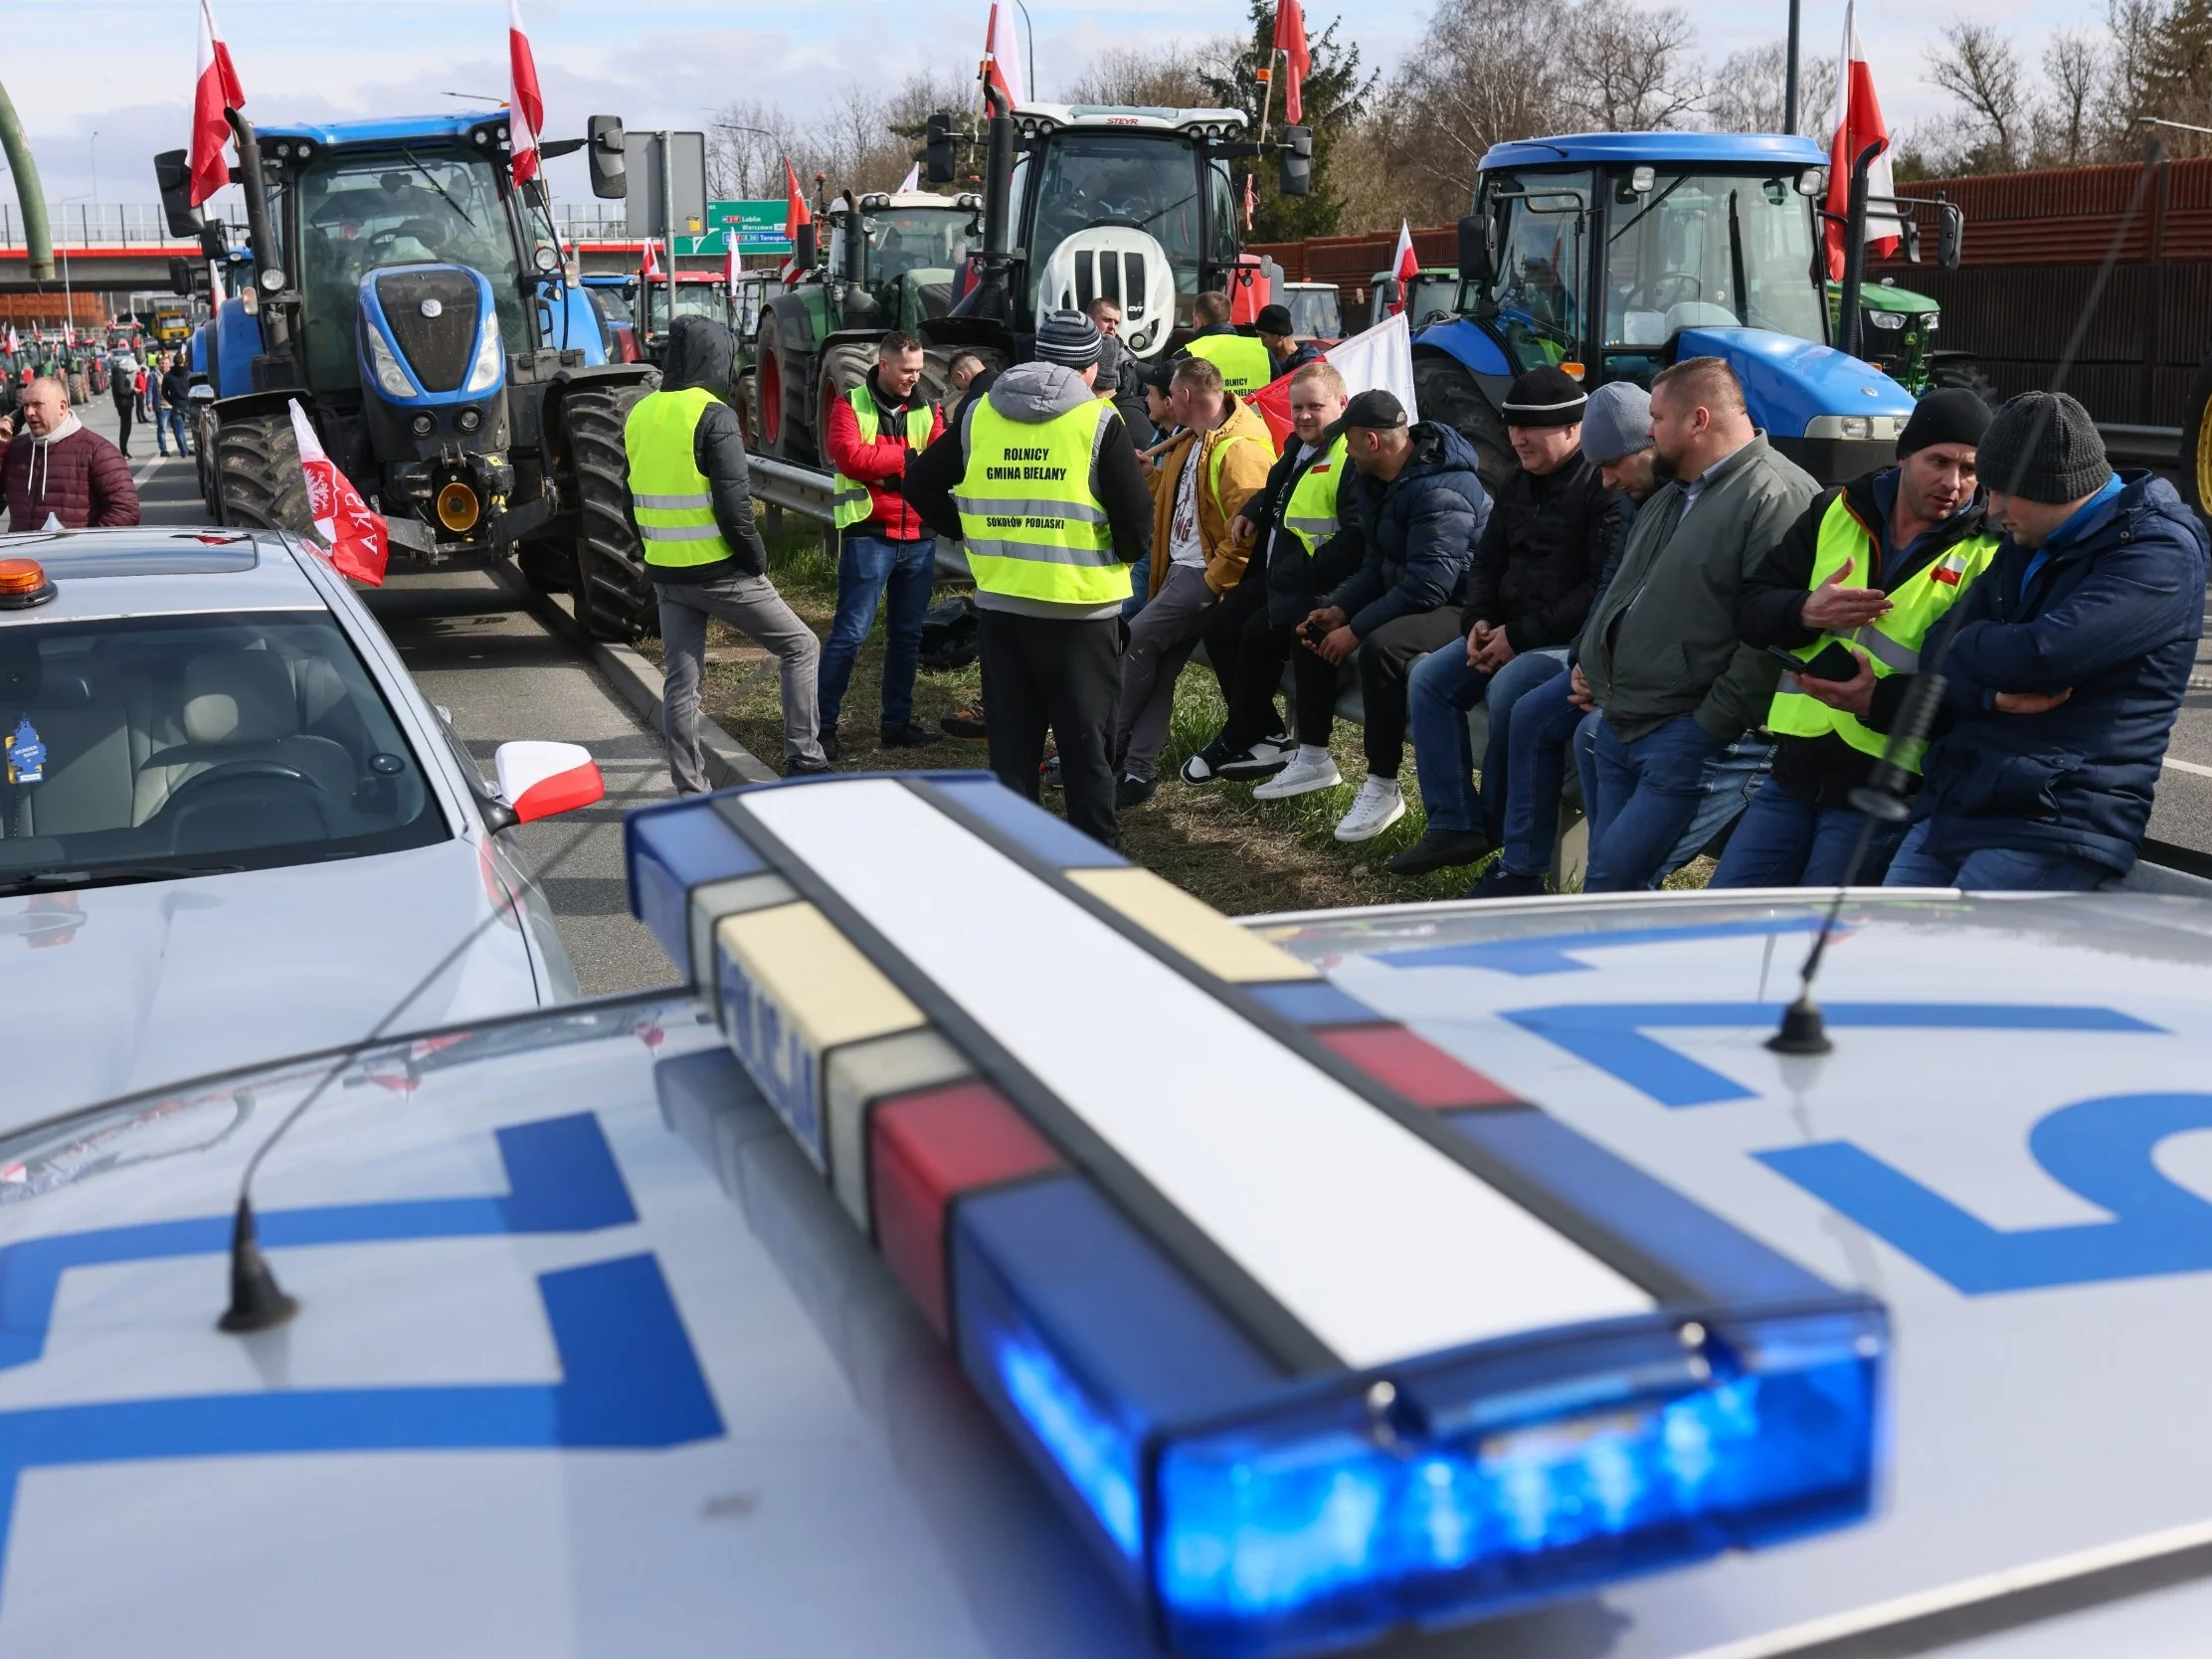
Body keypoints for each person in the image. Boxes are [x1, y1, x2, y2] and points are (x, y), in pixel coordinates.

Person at [1874, 394, 2208, 890]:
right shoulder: (2027, 537)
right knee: (1891, 955)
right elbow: (1936, 644)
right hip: (1960, 799)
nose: (1993, 509)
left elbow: (2041, 656)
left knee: (1966, 966)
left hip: (2053, 820)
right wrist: (1989, 693)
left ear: (2056, 486)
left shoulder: (2156, 551)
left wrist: (1973, 644)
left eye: (2006, 491)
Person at [1714, 390, 1997, 887]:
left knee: (1818, 944)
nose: (1954, 483)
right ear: (1904, 454)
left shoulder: (1989, 553)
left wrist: (1875, 700)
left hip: (1886, 790)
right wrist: (1804, 610)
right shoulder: (1834, 510)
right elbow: (1748, 611)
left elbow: (1976, 692)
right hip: (1793, 774)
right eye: (1939, 461)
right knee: (1726, 920)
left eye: (1971, 469)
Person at [904, 308, 1153, 846]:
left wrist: (969, 532)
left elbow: (920, 484)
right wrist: (1118, 556)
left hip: (1002, 611)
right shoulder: (1099, 421)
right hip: (1082, 618)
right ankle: (1094, 884)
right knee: (1087, 758)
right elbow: (1137, 528)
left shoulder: (980, 414)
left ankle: (1019, 876)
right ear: (1089, 369)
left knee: (1013, 758)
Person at [1573, 357, 1818, 891]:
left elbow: (1770, 633)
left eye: (1656, 418)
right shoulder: (1678, 490)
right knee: (1612, 883)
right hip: (1628, 719)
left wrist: (1710, 726)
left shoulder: (1775, 495)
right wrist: (1592, 660)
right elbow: (1628, 589)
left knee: (1611, 883)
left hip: (1692, 735)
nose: (1648, 431)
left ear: (1698, 420)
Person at [1388, 366, 1617, 875]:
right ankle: (1454, 824)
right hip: (1505, 631)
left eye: (1529, 428)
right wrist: (1480, 619)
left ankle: (1498, 824)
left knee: (1511, 685)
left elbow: (1599, 590)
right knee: (1429, 679)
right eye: (1512, 427)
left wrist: (1520, 636)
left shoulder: (1602, 485)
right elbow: (1488, 560)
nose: (1516, 439)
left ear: (1571, 429)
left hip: (1561, 641)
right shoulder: (1519, 480)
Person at [1258, 388, 1490, 843]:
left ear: (1372, 442)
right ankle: (1312, 756)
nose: (1343, 449)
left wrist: (1357, 629)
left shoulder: (1441, 488)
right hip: (1417, 589)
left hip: (1462, 602)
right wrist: (1340, 609)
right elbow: (1376, 565)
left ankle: (1383, 784)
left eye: (1348, 440)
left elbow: (1431, 586)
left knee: (1381, 648)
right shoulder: (1377, 479)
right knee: (1312, 622)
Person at [1466, 382, 1660, 897]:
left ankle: (1613, 892)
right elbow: (1615, 583)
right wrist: (1586, 657)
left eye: (1613, 466)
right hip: (1591, 656)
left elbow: (1672, 607)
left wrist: (1599, 666)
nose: (1607, 481)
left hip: (1649, 679)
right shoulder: (1633, 490)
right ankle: (1516, 864)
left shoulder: (1668, 496)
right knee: (1494, 698)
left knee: (1580, 729)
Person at [626, 314, 829, 789]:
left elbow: (627, 496)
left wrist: (653, 551)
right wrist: (756, 560)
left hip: (667, 576)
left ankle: (689, 790)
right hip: (720, 571)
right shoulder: (714, 415)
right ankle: (805, 758)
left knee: (681, 684)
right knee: (801, 645)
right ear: (719, 357)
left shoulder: (639, 413)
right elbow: (736, 506)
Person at [1182, 359, 1357, 784]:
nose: (1304, 416)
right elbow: (1277, 484)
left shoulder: (1349, 456)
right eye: (1298, 408)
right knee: (1220, 624)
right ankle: (1266, 733)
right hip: (1284, 575)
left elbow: (1356, 538)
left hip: (1322, 587)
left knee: (1258, 630)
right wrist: (1254, 509)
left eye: (1315, 407)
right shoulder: (1299, 445)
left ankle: (1242, 733)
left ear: (1342, 404)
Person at [1111, 355, 1273, 808]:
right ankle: (1137, 773)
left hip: (1200, 578)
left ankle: (1105, 752)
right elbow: (1170, 505)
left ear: (1182, 397)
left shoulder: (1241, 449)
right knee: (1159, 669)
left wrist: (1212, 582)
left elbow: (1248, 535)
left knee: (1135, 640)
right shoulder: (1190, 441)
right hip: (1181, 573)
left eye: (1164, 394)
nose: (1152, 401)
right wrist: (1147, 478)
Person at [819, 332, 946, 758]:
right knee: (850, 635)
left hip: (919, 539)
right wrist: (908, 461)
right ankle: (822, 728)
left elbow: (940, 463)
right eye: (908, 370)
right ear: (884, 365)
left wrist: (890, 467)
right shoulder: (849, 404)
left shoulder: (930, 406)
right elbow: (850, 458)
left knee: (907, 637)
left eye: (919, 369)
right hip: (870, 536)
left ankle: (896, 724)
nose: (916, 377)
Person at [0, 375, 139, 530]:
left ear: (62, 407)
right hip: (23, 554)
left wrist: (84, 547)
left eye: (37, 404)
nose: (29, 412)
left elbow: (125, 512)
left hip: (73, 553)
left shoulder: (98, 451)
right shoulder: (15, 449)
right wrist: (1, 445)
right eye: (25, 406)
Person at [1177, 289, 1272, 397]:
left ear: (1198, 321)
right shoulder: (1263, 352)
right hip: (1254, 414)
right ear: (1230, 319)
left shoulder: (1188, 355)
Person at [1086, 295, 1153, 446]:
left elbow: (1143, 398)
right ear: (1090, 319)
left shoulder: (1130, 360)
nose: (1112, 326)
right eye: (1107, 320)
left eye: (1116, 322)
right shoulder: (1073, 354)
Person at [1256, 302, 1324, 380]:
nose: (1259, 340)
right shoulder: (1267, 360)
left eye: (1263, 336)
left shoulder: (1310, 366)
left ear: (1280, 336)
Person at [107, 348, 139, 460]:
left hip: (124, 404)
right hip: (124, 404)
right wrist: (133, 391)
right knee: (125, 429)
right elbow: (122, 390)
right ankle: (123, 451)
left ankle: (124, 450)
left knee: (126, 429)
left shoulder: (117, 374)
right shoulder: (120, 376)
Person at [160, 353, 194, 458]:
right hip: (189, 403)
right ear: (182, 362)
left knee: (179, 431)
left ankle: (184, 451)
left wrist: (172, 401)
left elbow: (164, 392)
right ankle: (196, 448)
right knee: (197, 430)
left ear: (173, 362)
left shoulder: (168, 376)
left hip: (177, 405)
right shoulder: (188, 374)